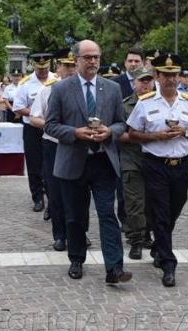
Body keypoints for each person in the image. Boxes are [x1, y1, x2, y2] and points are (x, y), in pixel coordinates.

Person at [44, 39, 131, 284]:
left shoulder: (112, 88)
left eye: (96, 57)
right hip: (73, 161)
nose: (93, 61)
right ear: (77, 60)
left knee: (107, 214)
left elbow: (121, 122)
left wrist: (109, 132)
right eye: (88, 57)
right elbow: (50, 125)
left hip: (103, 161)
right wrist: (75, 133)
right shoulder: (61, 89)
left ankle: (114, 268)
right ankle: (76, 258)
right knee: (75, 216)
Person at [127, 54, 188, 287]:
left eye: (174, 75)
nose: (171, 79)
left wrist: (184, 132)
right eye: (166, 75)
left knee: (174, 209)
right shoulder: (146, 102)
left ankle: (159, 246)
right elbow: (132, 133)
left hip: (182, 165)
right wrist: (156, 136)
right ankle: (168, 264)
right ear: (157, 77)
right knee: (161, 212)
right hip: (155, 164)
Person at [30, 48, 78, 248]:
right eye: (66, 66)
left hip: (77, 145)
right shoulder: (47, 89)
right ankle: (60, 235)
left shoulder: (83, 90)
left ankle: (78, 233)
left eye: (73, 65)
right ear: (58, 67)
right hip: (54, 144)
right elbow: (34, 118)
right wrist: (54, 127)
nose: (70, 70)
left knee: (77, 193)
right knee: (55, 191)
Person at [118, 66, 156, 259]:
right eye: (142, 81)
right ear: (134, 84)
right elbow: (119, 133)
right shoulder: (124, 106)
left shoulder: (160, 104)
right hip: (132, 160)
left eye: (149, 80)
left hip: (155, 161)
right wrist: (143, 137)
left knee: (153, 201)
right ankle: (136, 240)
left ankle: (148, 234)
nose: (146, 84)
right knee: (134, 202)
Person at [13, 53, 56, 212]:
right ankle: (37, 197)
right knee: (34, 164)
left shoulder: (56, 79)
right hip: (32, 129)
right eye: (40, 68)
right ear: (34, 66)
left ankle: (53, 199)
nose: (43, 71)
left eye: (45, 68)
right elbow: (18, 106)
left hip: (51, 128)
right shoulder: (25, 83)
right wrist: (35, 113)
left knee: (50, 164)